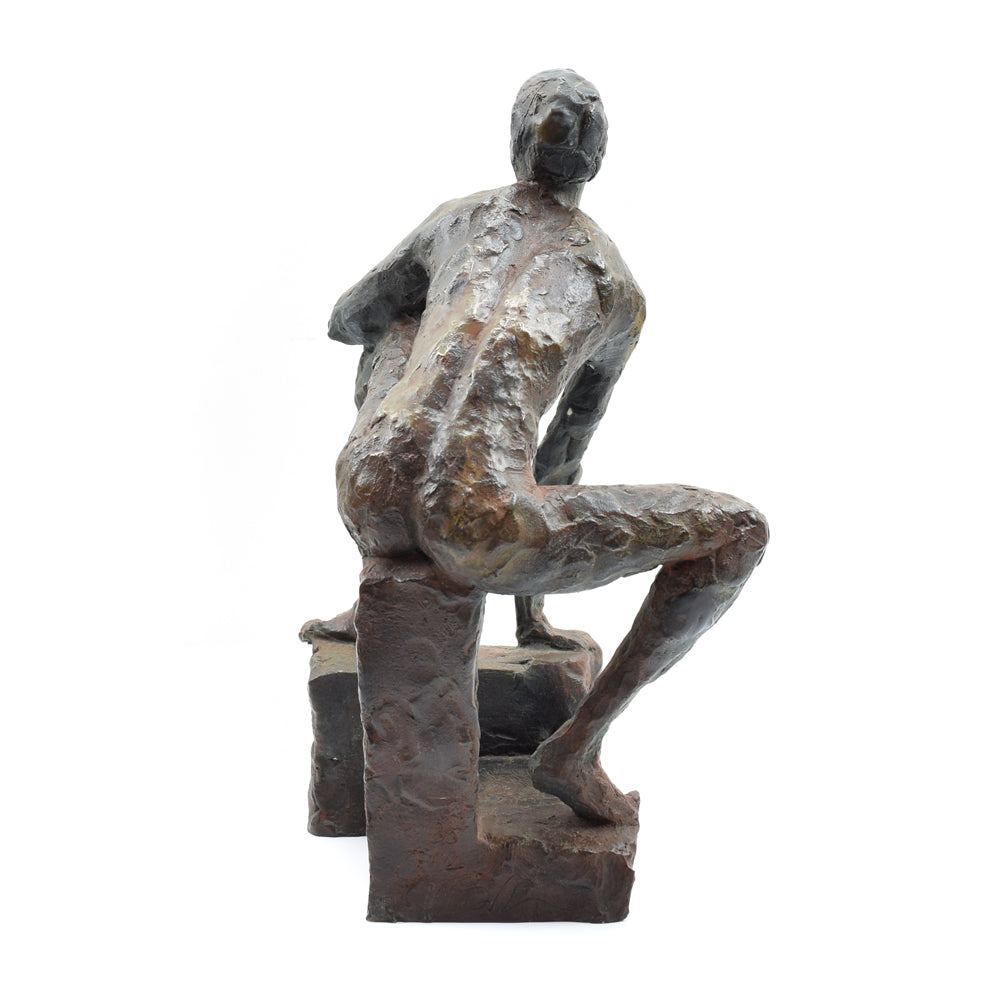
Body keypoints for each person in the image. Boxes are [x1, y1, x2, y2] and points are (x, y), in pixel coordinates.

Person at [312, 69, 767, 824]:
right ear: (598, 159)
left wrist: (433, 323)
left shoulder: (458, 219)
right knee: (740, 531)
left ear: (515, 143)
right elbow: (562, 452)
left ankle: (375, 567)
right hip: (478, 524)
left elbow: (349, 319)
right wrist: (530, 612)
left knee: (397, 321)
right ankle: (574, 750)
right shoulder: (617, 290)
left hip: (366, 484)